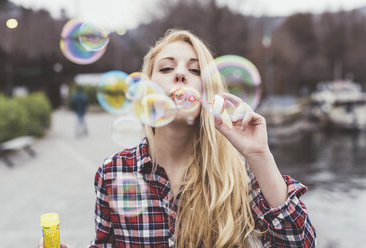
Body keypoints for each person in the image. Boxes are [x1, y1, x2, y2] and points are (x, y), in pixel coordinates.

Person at [39, 29, 316, 247]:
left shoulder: (239, 171)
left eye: (194, 70)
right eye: (166, 68)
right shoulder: (113, 172)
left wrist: (259, 156)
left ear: (208, 91)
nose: (181, 74)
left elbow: (299, 244)